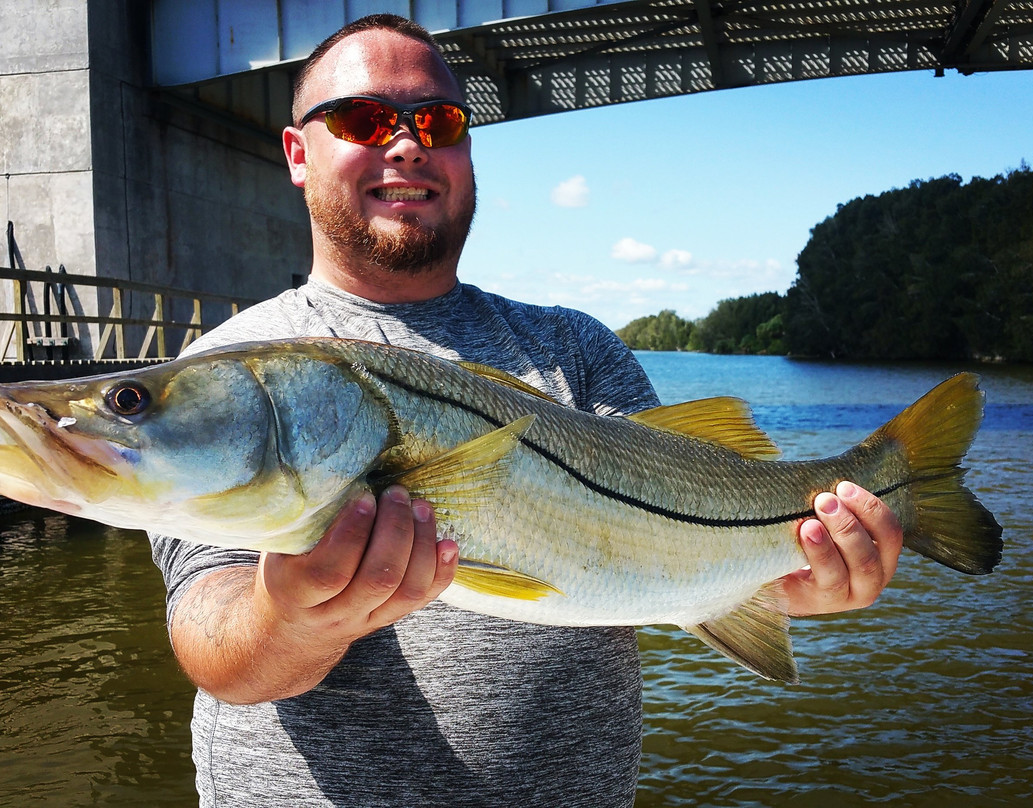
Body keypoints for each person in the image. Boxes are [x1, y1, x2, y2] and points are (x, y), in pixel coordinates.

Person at [151, 14, 903, 807]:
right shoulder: (230, 373)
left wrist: (790, 577)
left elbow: (675, 545)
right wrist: (290, 619)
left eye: (438, 121)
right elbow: (211, 638)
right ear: (298, 154)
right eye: (363, 119)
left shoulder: (575, 346)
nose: (406, 144)